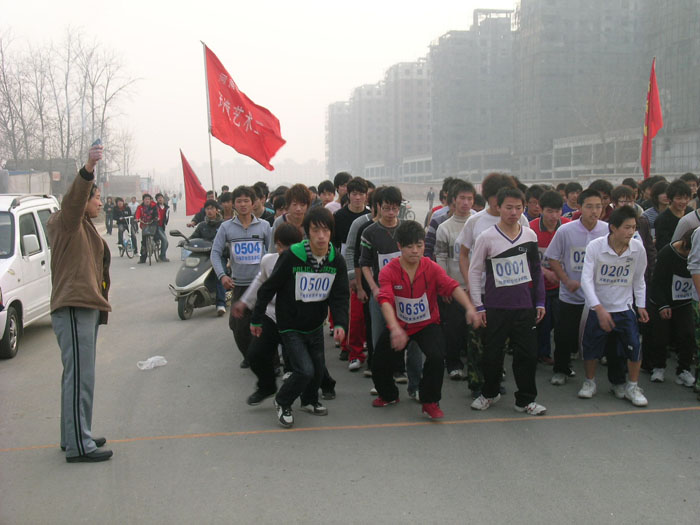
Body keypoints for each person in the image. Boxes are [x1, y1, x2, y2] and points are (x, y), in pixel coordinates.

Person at [251, 207, 349, 428]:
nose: (321, 236)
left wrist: (341, 323)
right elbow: (268, 287)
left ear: (331, 232)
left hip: (315, 324)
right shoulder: (292, 256)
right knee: (304, 370)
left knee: (317, 369)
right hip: (290, 325)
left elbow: (340, 296)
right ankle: (282, 401)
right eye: (315, 230)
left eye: (326, 230)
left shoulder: (336, 260)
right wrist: (256, 318)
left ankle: (309, 400)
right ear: (307, 232)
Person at [372, 220, 478, 419]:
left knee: (437, 357)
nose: (415, 251)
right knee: (379, 362)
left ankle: (429, 401)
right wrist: (395, 328)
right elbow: (385, 299)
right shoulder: (388, 271)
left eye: (419, 245)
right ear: (399, 247)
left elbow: (452, 286)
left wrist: (470, 308)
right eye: (409, 246)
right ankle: (388, 395)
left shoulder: (431, 267)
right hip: (400, 325)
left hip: (427, 324)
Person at [48, 143, 113, 463]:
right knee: (80, 378)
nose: (100, 202)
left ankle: (72, 434)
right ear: (84, 199)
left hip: (84, 307)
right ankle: (79, 445)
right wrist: (88, 168)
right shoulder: (68, 221)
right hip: (74, 307)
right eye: (96, 197)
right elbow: (73, 200)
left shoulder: (83, 226)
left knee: (77, 376)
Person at [469, 187, 547, 416]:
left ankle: (525, 400)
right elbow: (474, 271)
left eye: (518, 208)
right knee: (492, 354)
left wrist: (540, 302)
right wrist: (478, 305)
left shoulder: (529, 235)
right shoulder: (486, 237)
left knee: (527, 355)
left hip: (524, 307)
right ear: (498, 208)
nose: (513, 212)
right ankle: (489, 393)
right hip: (496, 307)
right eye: (508, 207)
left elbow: (536, 271)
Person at [579, 206, 649, 406]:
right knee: (591, 348)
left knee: (634, 347)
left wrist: (641, 305)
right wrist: (598, 307)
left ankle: (632, 386)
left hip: (624, 308)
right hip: (597, 308)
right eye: (626, 227)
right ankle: (589, 382)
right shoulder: (595, 247)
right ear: (613, 228)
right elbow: (586, 280)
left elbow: (639, 279)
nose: (631, 232)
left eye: (633, 227)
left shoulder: (638, 249)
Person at [234, 223, 304, 405]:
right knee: (255, 355)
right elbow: (260, 282)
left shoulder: (307, 262)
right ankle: (267, 386)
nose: (284, 251)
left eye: (289, 247)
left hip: (296, 319)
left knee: (305, 363)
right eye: (280, 246)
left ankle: (320, 388)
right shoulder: (268, 261)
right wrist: (244, 302)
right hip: (271, 315)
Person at [545, 189, 609, 385]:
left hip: (598, 297)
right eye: (589, 206)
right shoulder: (566, 230)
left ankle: (605, 374)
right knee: (564, 335)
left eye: (598, 206)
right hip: (571, 295)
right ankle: (561, 369)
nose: (594, 211)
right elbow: (553, 257)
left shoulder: (608, 230)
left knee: (600, 334)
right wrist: (566, 280)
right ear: (579, 207)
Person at [212, 186, 271, 367]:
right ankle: (249, 355)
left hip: (261, 285)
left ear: (254, 203)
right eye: (239, 201)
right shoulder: (226, 227)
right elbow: (215, 253)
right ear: (234, 204)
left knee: (266, 324)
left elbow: (272, 253)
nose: (243, 204)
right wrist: (222, 276)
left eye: (247, 201)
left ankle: (272, 362)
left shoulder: (264, 226)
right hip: (238, 285)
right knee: (237, 326)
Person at [435, 180, 476, 379]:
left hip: (477, 287)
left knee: (477, 330)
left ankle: (477, 366)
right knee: (453, 328)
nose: (466, 202)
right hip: (454, 287)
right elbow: (441, 258)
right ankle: (453, 364)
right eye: (462, 198)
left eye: (470, 198)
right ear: (453, 200)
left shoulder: (479, 223)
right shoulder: (445, 228)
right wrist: (445, 286)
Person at [647, 229, 697, 387]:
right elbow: (656, 282)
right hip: (663, 299)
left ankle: (683, 370)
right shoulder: (667, 254)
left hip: (684, 300)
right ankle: (658, 367)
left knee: (688, 334)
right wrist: (662, 304)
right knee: (661, 336)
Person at [332, 177, 371, 369]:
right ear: (348, 195)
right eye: (354, 194)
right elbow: (335, 245)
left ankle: (360, 343)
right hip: (343, 266)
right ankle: (347, 346)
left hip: (363, 266)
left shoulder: (370, 216)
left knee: (360, 311)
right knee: (347, 309)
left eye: (361, 194)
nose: (358, 198)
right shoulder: (338, 217)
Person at [529, 190, 570, 365]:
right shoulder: (531, 229)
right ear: (541, 209)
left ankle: (563, 357)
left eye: (557, 211)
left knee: (560, 322)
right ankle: (542, 353)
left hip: (561, 286)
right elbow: (527, 260)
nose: (554, 216)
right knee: (542, 321)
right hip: (538, 285)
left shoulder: (567, 227)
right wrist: (546, 272)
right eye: (549, 211)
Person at [191, 199, 227, 315]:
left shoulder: (223, 225)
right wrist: (185, 242)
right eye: (207, 209)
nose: (209, 211)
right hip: (203, 256)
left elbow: (229, 239)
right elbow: (193, 238)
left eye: (212, 208)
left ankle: (221, 303)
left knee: (220, 275)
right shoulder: (202, 225)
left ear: (217, 210)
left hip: (219, 256)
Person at [654, 179, 692, 250]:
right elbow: (662, 245)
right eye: (679, 198)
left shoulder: (691, 213)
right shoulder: (662, 219)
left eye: (686, 198)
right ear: (670, 199)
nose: (683, 201)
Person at [135, 194, 160, 264]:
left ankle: (157, 241)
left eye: (148, 199)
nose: (147, 200)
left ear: (150, 200)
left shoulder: (154, 206)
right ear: (143, 200)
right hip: (144, 224)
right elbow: (137, 214)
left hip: (152, 222)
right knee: (144, 243)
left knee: (155, 232)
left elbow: (157, 213)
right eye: (146, 199)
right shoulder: (140, 207)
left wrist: (157, 217)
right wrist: (137, 219)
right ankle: (142, 259)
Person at [154, 193, 170, 262]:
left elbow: (167, 217)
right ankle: (162, 257)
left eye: (161, 198)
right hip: (156, 226)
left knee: (166, 242)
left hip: (162, 226)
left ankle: (162, 255)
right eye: (158, 198)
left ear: (163, 199)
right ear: (157, 200)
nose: (160, 199)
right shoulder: (155, 207)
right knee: (165, 241)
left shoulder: (167, 207)